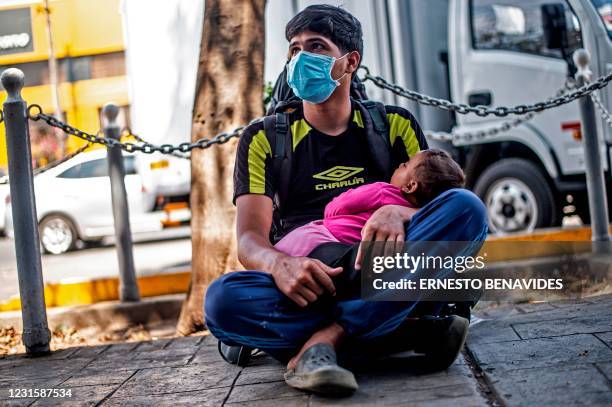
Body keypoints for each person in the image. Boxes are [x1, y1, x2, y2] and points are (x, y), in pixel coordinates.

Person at [205, 4, 488, 395]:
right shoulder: (264, 138)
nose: (301, 58)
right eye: (294, 48)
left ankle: (326, 340)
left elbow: (438, 205)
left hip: (381, 269)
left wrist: (397, 211)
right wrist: (281, 264)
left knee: (468, 207)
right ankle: (400, 329)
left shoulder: (394, 125)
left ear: (350, 61)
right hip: (309, 281)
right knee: (222, 302)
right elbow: (249, 241)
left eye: (316, 47)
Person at [275, 149, 466, 257]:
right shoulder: (420, 216)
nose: (400, 165)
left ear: (410, 186)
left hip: (322, 237)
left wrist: (331, 210)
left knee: (278, 260)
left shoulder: (383, 191)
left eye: (406, 164)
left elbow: (335, 208)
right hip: (349, 253)